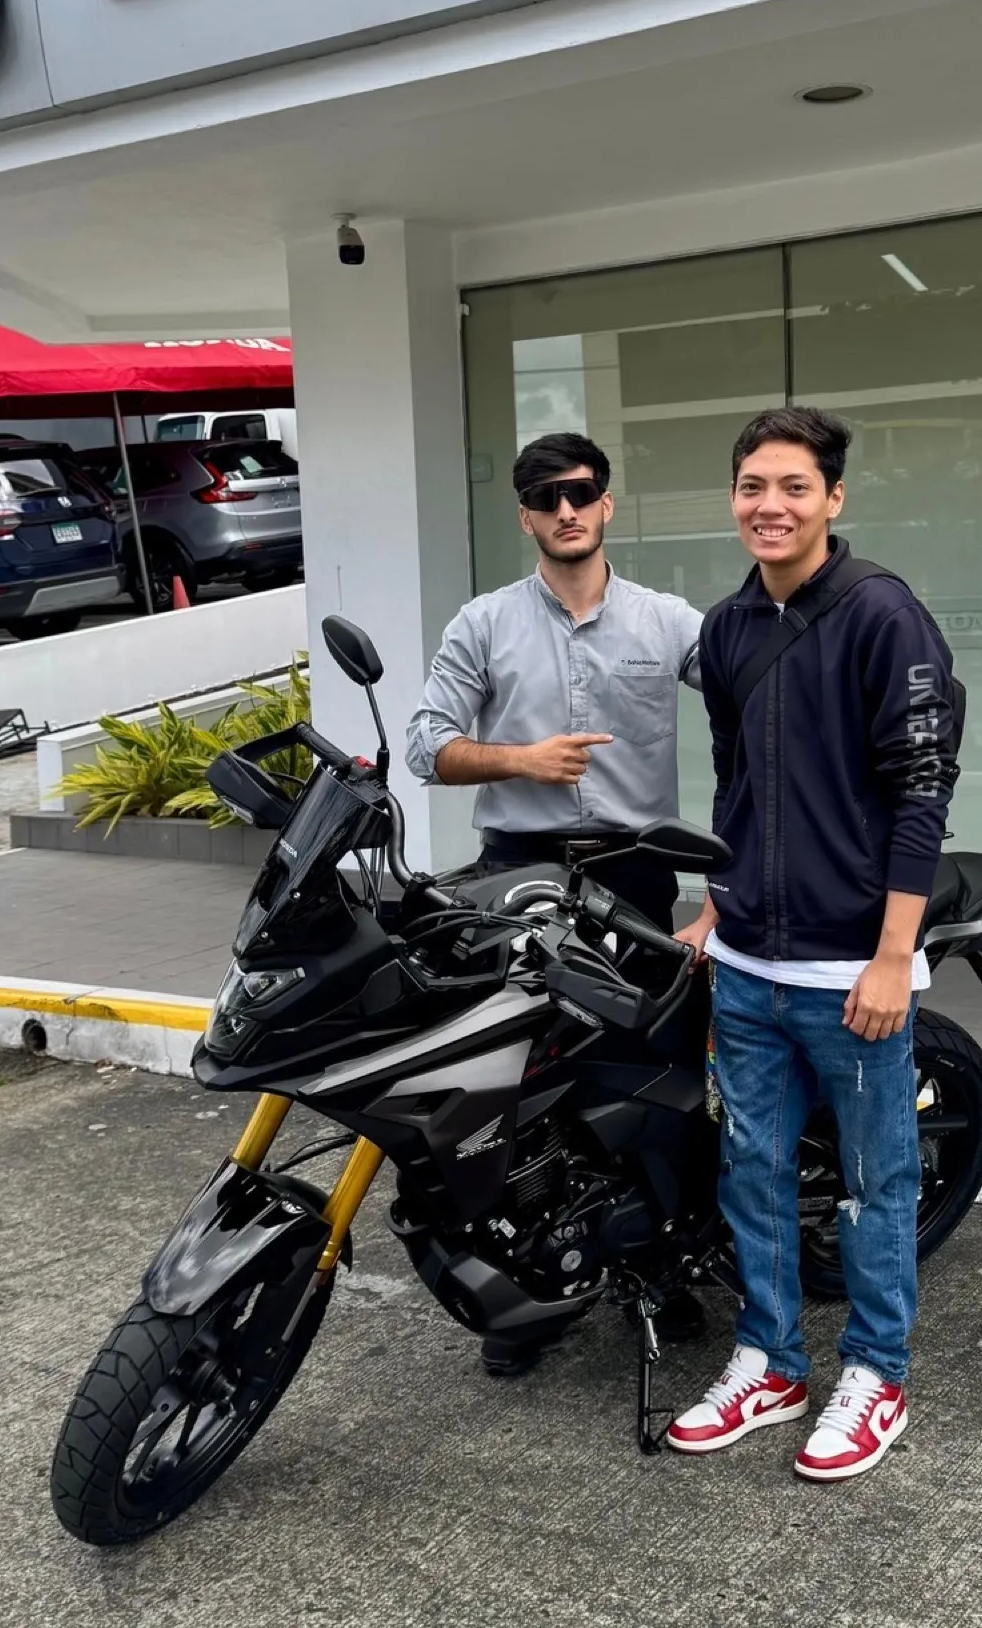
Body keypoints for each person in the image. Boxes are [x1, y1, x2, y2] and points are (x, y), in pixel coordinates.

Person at [669, 406, 959, 1482]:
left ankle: (877, 1372)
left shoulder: (884, 614)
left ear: (833, 497)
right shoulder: (725, 629)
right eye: (753, 485)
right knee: (751, 1173)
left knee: (876, 1185)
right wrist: (717, 903)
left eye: (794, 486)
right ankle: (771, 1363)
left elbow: (921, 792)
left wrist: (893, 957)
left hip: (851, 971)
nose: (771, 505)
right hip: (748, 964)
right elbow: (734, 782)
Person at [406, 430, 706, 1374]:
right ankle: (523, 1303)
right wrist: (521, 760)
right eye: (546, 498)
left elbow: (757, 686)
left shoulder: (668, 623)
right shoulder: (484, 623)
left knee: (653, 1075)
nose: (566, 510)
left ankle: (660, 1265)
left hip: (635, 876)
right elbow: (425, 745)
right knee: (513, 1086)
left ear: (606, 503)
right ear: (526, 515)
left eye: (580, 493)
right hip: (518, 877)